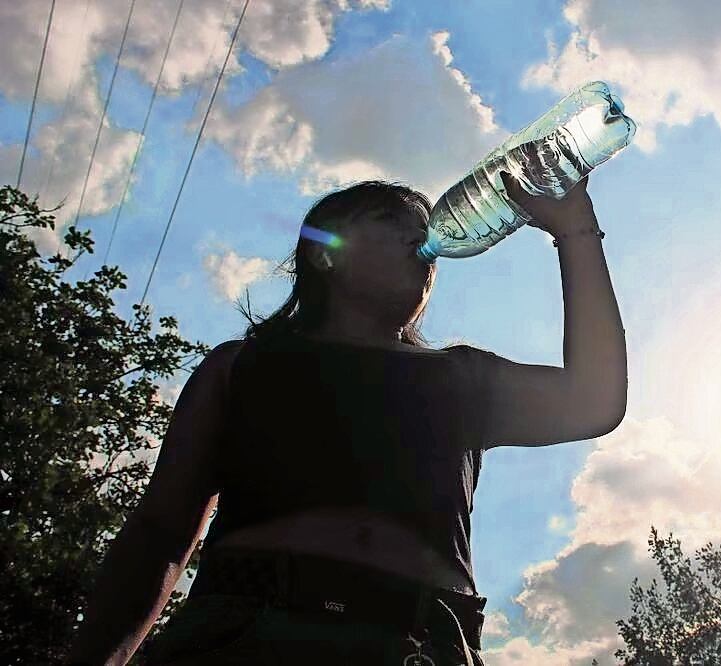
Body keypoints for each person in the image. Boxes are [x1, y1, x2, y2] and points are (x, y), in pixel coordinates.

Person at [63, 172, 628, 665]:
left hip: (421, 641)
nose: (420, 237)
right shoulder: (244, 367)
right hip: (247, 634)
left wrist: (574, 228)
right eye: (391, 221)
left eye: (424, 226)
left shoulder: (460, 377)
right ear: (324, 252)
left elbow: (595, 399)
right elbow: (163, 529)